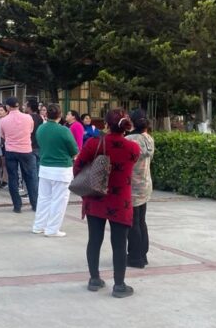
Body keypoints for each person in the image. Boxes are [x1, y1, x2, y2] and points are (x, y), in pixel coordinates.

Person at [76, 109, 140, 298]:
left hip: (95, 198)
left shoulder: (93, 144)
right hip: (120, 201)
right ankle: (119, 285)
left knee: (94, 240)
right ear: (125, 127)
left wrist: (85, 191)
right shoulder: (132, 148)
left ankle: (94, 279)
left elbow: (78, 166)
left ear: (105, 124)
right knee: (119, 243)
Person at [31, 104, 79, 237]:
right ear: (60, 114)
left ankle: (38, 225)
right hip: (61, 168)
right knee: (59, 200)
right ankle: (52, 229)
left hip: (45, 167)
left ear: (47, 114)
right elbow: (74, 150)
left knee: (43, 198)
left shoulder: (41, 128)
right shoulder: (63, 130)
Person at [126, 109, 155, 269]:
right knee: (141, 221)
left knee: (133, 223)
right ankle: (143, 254)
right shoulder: (148, 139)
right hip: (145, 184)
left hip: (131, 185)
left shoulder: (130, 139)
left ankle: (135, 257)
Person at [0, 97, 38, 213]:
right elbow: (30, 131)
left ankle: (17, 206)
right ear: (18, 106)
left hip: (10, 150)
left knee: (13, 178)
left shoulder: (3, 120)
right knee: (31, 177)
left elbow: (3, 135)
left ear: (7, 107)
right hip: (26, 150)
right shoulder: (28, 118)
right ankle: (35, 204)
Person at [25, 100, 43, 166]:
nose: (24, 107)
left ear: (29, 107)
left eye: (25, 106)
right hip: (38, 144)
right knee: (38, 166)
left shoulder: (27, 117)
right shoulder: (40, 117)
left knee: (31, 168)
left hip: (30, 145)